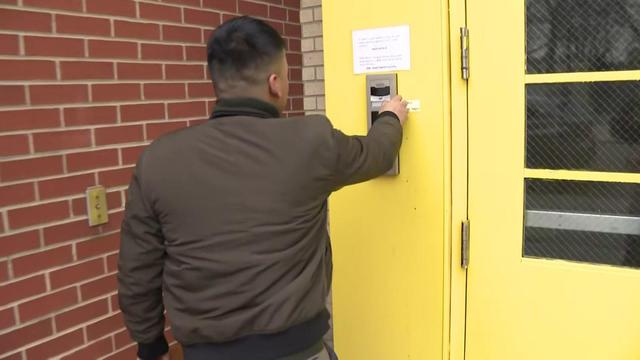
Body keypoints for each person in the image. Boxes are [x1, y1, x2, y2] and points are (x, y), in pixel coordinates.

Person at [118, 16, 409, 360]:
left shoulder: (158, 160)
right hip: (298, 349)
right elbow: (376, 154)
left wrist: (151, 347)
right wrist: (390, 115)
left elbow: (138, 271)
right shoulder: (311, 142)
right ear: (275, 84)